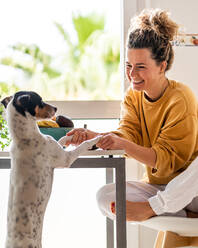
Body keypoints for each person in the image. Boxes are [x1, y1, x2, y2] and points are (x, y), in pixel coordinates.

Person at [66, 9, 198, 221]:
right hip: (160, 188)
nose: (132, 74)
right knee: (105, 197)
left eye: (141, 67)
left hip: (190, 191)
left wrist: (123, 145)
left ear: (162, 67)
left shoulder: (180, 98)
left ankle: (158, 208)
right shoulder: (133, 97)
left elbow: (166, 161)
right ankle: (184, 215)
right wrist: (94, 136)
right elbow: (128, 134)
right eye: (128, 65)